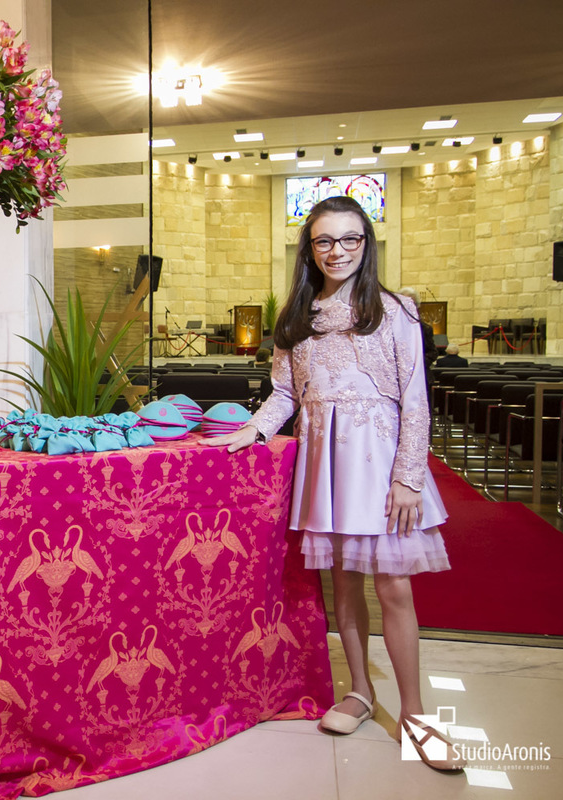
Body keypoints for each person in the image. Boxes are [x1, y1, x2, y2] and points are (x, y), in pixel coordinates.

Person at [200, 195, 465, 772]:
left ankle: (416, 714)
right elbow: (286, 395)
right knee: (343, 588)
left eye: (350, 239)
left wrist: (409, 479)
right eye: (325, 240)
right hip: (327, 468)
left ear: (366, 245)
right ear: (309, 249)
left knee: (393, 587)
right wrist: (252, 431)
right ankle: (362, 694)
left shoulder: (396, 310)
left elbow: (416, 403)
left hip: (383, 465)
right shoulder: (297, 317)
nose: (337, 250)